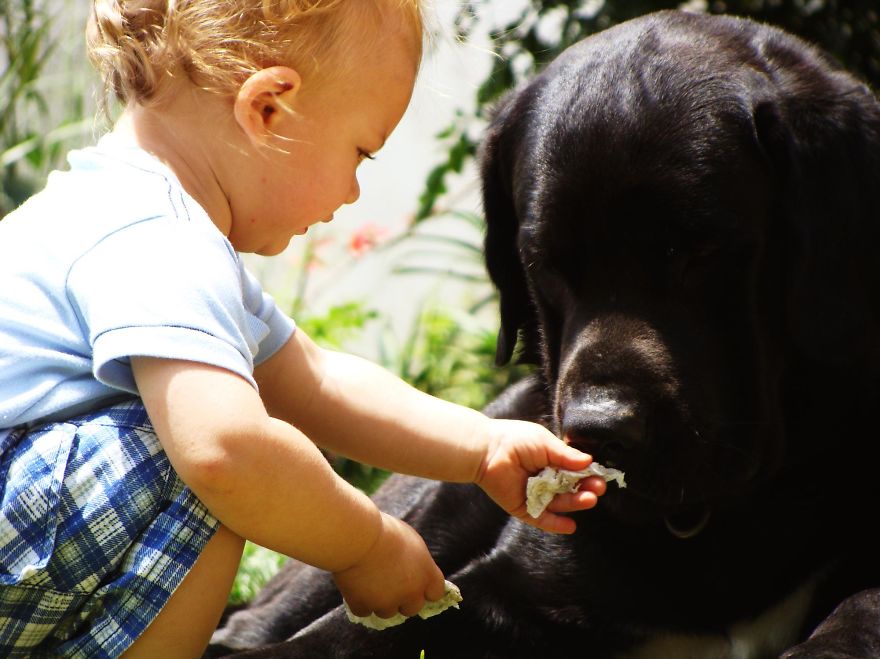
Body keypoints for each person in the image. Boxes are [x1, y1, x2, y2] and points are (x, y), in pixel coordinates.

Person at [0, 1, 607, 657]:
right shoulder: (158, 239)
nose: (351, 191)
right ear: (268, 109)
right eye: (360, 152)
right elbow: (225, 451)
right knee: (223, 455)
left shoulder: (132, 212)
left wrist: (482, 447)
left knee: (223, 431)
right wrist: (365, 542)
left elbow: (313, 379)